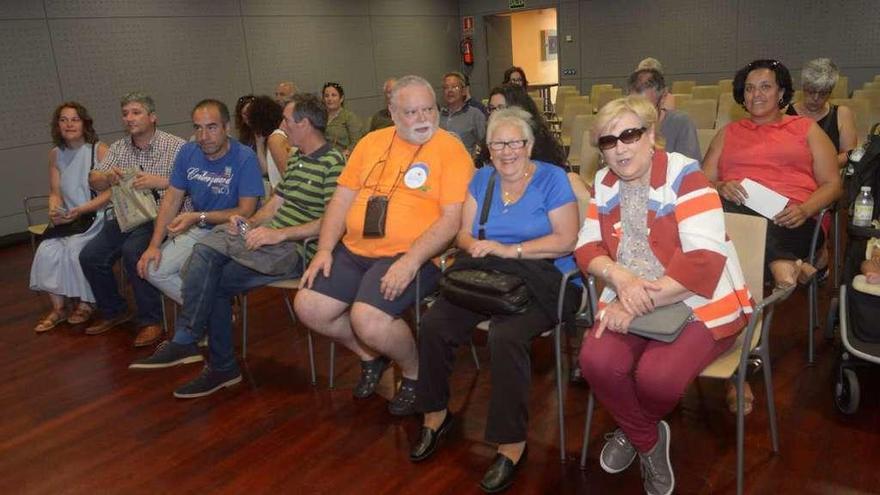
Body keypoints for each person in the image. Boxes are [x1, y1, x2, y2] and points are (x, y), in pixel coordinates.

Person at [576, 96, 753, 495]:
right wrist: (620, 277)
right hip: (632, 296)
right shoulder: (605, 183)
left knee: (657, 377)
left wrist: (636, 300)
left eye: (630, 134)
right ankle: (648, 440)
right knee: (595, 360)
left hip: (698, 300)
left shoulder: (686, 177)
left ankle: (631, 430)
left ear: (650, 135)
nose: (619, 148)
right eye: (608, 141)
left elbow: (704, 263)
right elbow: (586, 247)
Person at [130, 93, 345, 398]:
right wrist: (252, 222)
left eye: (286, 120)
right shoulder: (297, 156)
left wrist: (279, 235)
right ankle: (219, 365)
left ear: (305, 124)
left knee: (207, 268)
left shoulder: (333, 162)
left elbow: (333, 222)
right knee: (208, 261)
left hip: (297, 249)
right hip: (269, 236)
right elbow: (276, 203)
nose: (281, 126)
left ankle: (190, 340)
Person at [410, 107, 579, 493]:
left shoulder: (552, 179)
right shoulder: (482, 179)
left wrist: (509, 250)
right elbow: (465, 235)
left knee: (506, 337)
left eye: (514, 142)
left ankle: (511, 443)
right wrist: (479, 246)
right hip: (489, 277)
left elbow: (566, 239)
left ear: (530, 144)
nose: (506, 151)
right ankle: (435, 416)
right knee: (434, 325)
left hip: (546, 277)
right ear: (487, 149)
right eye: (497, 144)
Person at [294, 75, 474, 416]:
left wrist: (410, 261)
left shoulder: (451, 149)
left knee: (368, 319)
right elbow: (341, 200)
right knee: (308, 306)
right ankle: (370, 357)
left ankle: (414, 373)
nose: (423, 119)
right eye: (411, 112)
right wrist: (324, 249)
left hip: (416, 255)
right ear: (392, 113)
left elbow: (452, 221)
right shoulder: (370, 143)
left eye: (428, 110)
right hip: (356, 249)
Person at [135, 99, 264, 345]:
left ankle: (210, 316)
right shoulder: (188, 152)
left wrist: (198, 217)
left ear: (227, 127)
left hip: (233, 231)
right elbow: (172, 199)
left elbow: (246, 211)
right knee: (152, 269)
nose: (203, 136)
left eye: (212, 127)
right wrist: (153, 244)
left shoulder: (244, 158)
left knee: (196, 272)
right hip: (201, 229)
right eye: (198, 127)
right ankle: (217, 312)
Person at [703, 59, 841, 289]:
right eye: (749, 88)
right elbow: (701, 181)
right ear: (742, 95)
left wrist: (805, 210)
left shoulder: (805, 128)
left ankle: (786, 260)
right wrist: (720, 186)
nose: (756, 94)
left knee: (728, 222)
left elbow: (833, 184)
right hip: (735, 217)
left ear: (782, 92)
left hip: (792, 219)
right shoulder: (728, 133)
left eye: (765, 86)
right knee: (717, 208)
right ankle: (785, 263)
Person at [80, 92, 185, 343]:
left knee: (132, 251)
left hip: (162, 216)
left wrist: (159, 181)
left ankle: (152, 320)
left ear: (153, 117)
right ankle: (115, 310)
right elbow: (93, 177)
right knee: (90, 256)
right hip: (127, 216)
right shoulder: (118, 147)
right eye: (125, 113)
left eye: (136, 112)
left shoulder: (177, 146)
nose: (129, 118)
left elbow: (192, 182)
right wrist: (105, 178)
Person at [30, 102, 112, 332]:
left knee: (75, 250)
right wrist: (54, 210)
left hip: (96, 215)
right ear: (58, 125)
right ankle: (59, 308)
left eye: (74, 119)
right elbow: (55, 192)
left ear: (84, 123)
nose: (69, 124)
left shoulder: (99, 150)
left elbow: (110, 192)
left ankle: (86, 303)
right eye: (63, 120)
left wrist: (82, 209)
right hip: (71, 218)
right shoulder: (56, 154)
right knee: (47, 250)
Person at [477, 83, 567, 169]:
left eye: (501, 108)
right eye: (491, 109)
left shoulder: (540, 145)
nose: (494, 114)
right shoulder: (490, 141)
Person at [787, 58, 857, 168]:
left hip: (827, 174)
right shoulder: (784, 113)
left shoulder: (842, 114)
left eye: (823, 93)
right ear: (803, 87)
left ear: (831, 91)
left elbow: (849, 154)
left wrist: (818, 167)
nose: (816, 98)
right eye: (811, 91)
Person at [628, 68, 700, 161]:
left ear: (663, 98)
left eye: (648, 108)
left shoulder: (681, 123)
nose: (640, 114)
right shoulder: (624, 125)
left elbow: (689, 170)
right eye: (633, 107)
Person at [439, 71, 486, 156]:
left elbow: (485, 143)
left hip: (467, 165)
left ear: (463, 91)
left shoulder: (475, 115)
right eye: (446, 87)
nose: (450, 91)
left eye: (454, 87)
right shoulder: (437, 117)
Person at [247, 95, 289, 187]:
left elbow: (288, 178)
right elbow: (266, 171)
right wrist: (259, 143)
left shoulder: (276, 138)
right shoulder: (272, 137)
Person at [323, 82, 364, 156]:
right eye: (326, 96)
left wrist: (344, 154)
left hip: (342, 158)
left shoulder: (349, 117)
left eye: (333, 95)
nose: (329, 98)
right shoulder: (320, 117)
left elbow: (357, 141)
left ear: (341, 98)